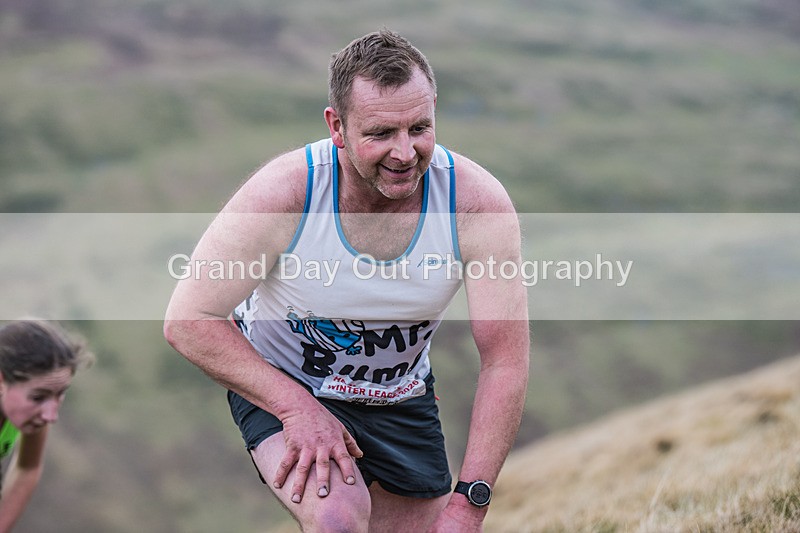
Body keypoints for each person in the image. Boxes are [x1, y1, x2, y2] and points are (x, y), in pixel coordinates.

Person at [164, 28, 529, 532]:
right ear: (337, 126)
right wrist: (295, 408)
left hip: (399, 395)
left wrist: (469, 505)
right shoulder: (287, 192)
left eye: (420, 128)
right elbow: (189, 319)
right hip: (288, 382)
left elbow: (505, 358)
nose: (404, 153)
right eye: (380, 134)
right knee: (338, 520)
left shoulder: (475, 205)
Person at [0, 320, 92, 531]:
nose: (51, 416)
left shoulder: (33, 414)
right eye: (38, 397)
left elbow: (28, 467)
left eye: (60, 394)